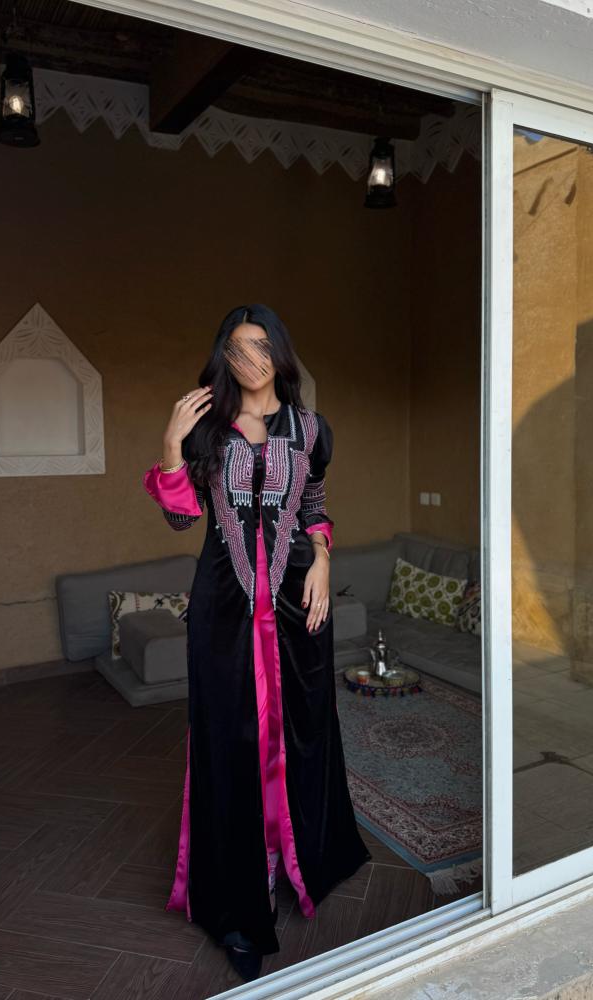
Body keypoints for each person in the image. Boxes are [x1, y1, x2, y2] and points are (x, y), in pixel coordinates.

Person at [142, 303, 370, 982]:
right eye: (238, 348)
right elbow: (181, 519)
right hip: (224, 609)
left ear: (280, 353)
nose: (250, 360)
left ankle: (305, 858)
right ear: (223, 357)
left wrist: (322, 558)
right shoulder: (206, 429)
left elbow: (314, 505)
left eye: (262, 346)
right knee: (231, 745)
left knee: (305, 731)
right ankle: (240, 907)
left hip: (300, 606)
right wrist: (170, 446)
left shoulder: (311, 429)